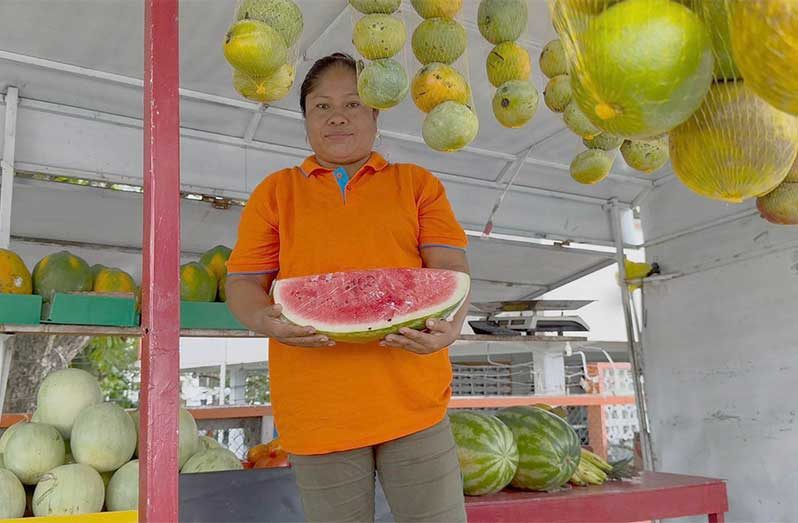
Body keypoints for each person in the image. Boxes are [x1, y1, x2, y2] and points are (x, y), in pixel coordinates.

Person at [226, 52, 471, 523]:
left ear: (376, 115)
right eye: (322, 106)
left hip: (415, 406)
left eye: (354, 104)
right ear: (305, 119)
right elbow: (243, 282)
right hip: (318, 414)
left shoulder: (417, 184)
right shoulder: (275, 193)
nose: (338, 115)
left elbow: (450, 269)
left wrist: (451, 328)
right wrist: (263, 319)